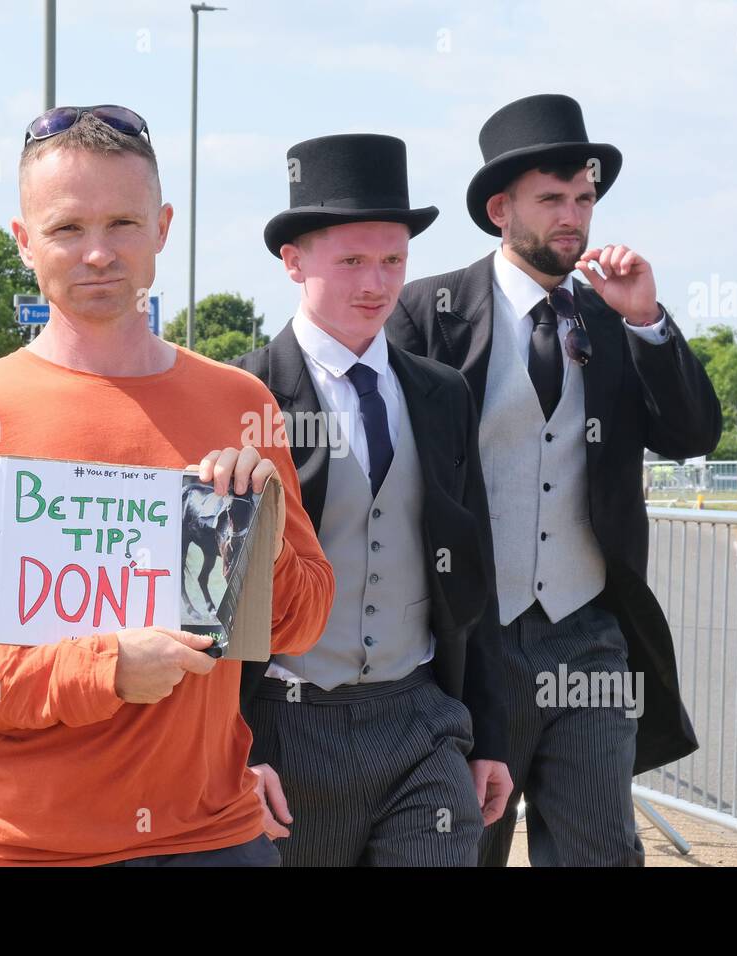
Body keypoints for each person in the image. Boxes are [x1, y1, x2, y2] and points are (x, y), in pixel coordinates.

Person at [0, 105, 334, 866]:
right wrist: (101, 671)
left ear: (163, 226)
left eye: (122, 223)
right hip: (27, 846)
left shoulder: (241, 404)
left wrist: (259, 535)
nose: (97, 254)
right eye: (66, 229)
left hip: (216, 839)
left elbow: (302, 624)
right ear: (24, 243)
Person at [387, 94, 722, 866]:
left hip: (589, 635)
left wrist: (646, 321)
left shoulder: (612, 316)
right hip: (471, 640)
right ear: (501, 209)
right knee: (467, 849)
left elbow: (692, 434)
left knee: (601, 853)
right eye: (552, 200)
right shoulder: (426, 314)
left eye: (585, 198)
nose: (574, 217)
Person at [232, 133, 512, 866]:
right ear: (293, 261)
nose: (376, 283)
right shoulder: (243, 393)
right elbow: (210, 604)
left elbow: (473, 575)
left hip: (422, 723)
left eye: (393, 260)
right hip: (287, 728)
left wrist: (491, 737)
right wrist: (229, 750)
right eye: (351, 260)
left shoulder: (443, 394)